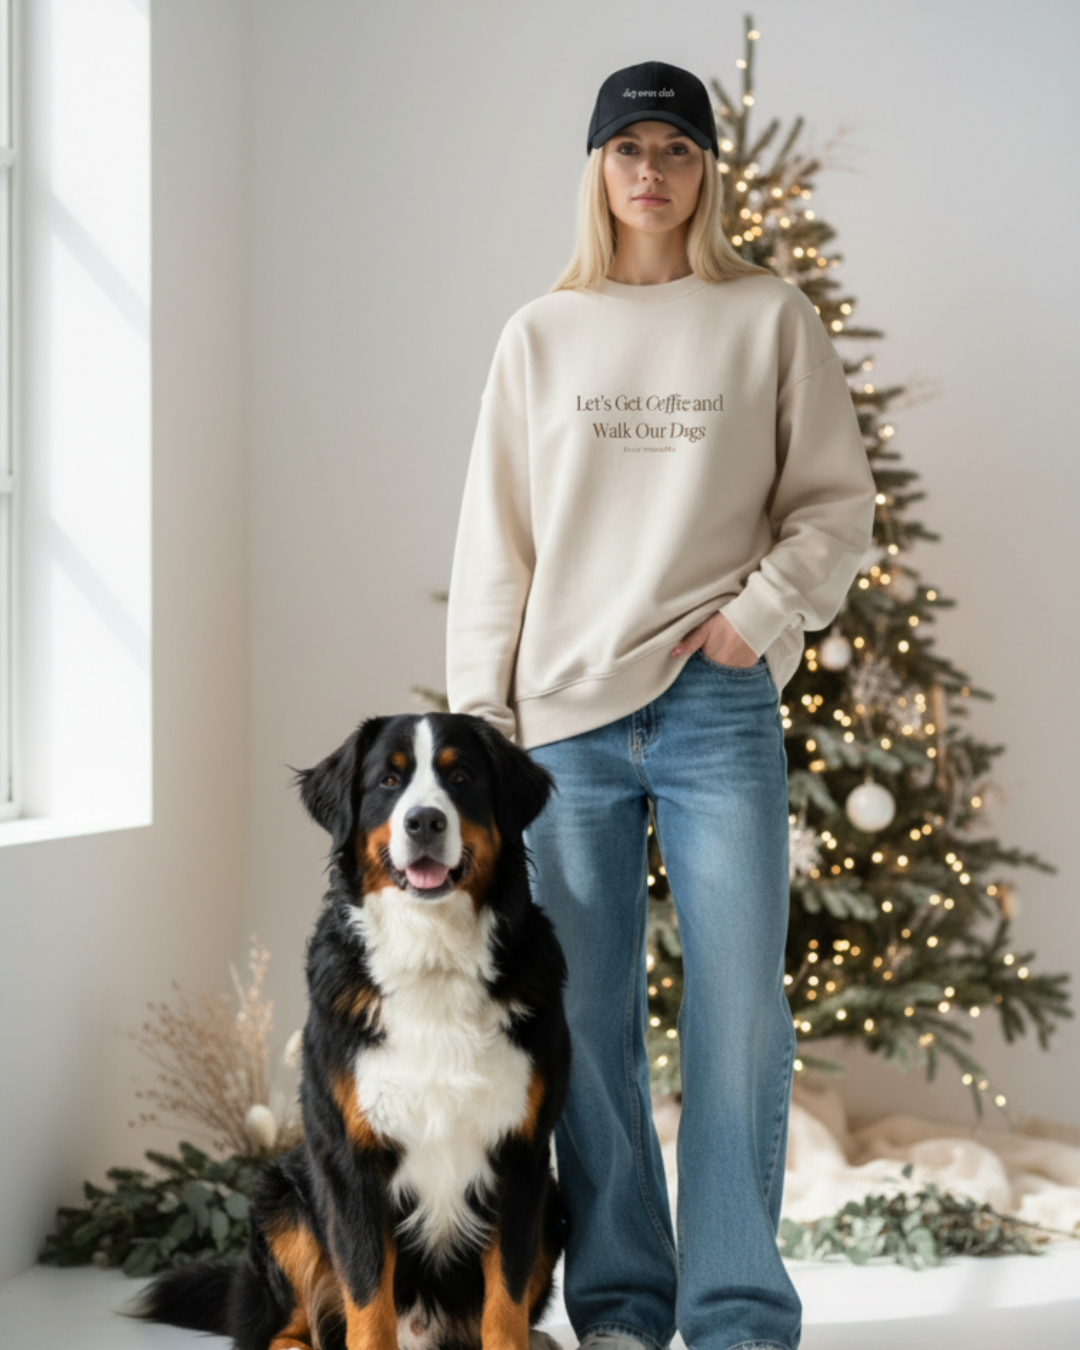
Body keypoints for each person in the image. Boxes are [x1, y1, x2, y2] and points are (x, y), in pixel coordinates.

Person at [445, 59, 876, 1350]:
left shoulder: (768, 317)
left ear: (706, 172)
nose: (652, 172)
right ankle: (625, 1305)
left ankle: (739, 1311)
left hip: (713, 707)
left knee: (740, 1013)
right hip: (566, 716)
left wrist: (758, 618)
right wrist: (482, 724)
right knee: (588, 1019)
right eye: (628, 150)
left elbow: (835, 508)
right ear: (598, 170)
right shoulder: (541, 334)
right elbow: (495, 543)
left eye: (676, 149)